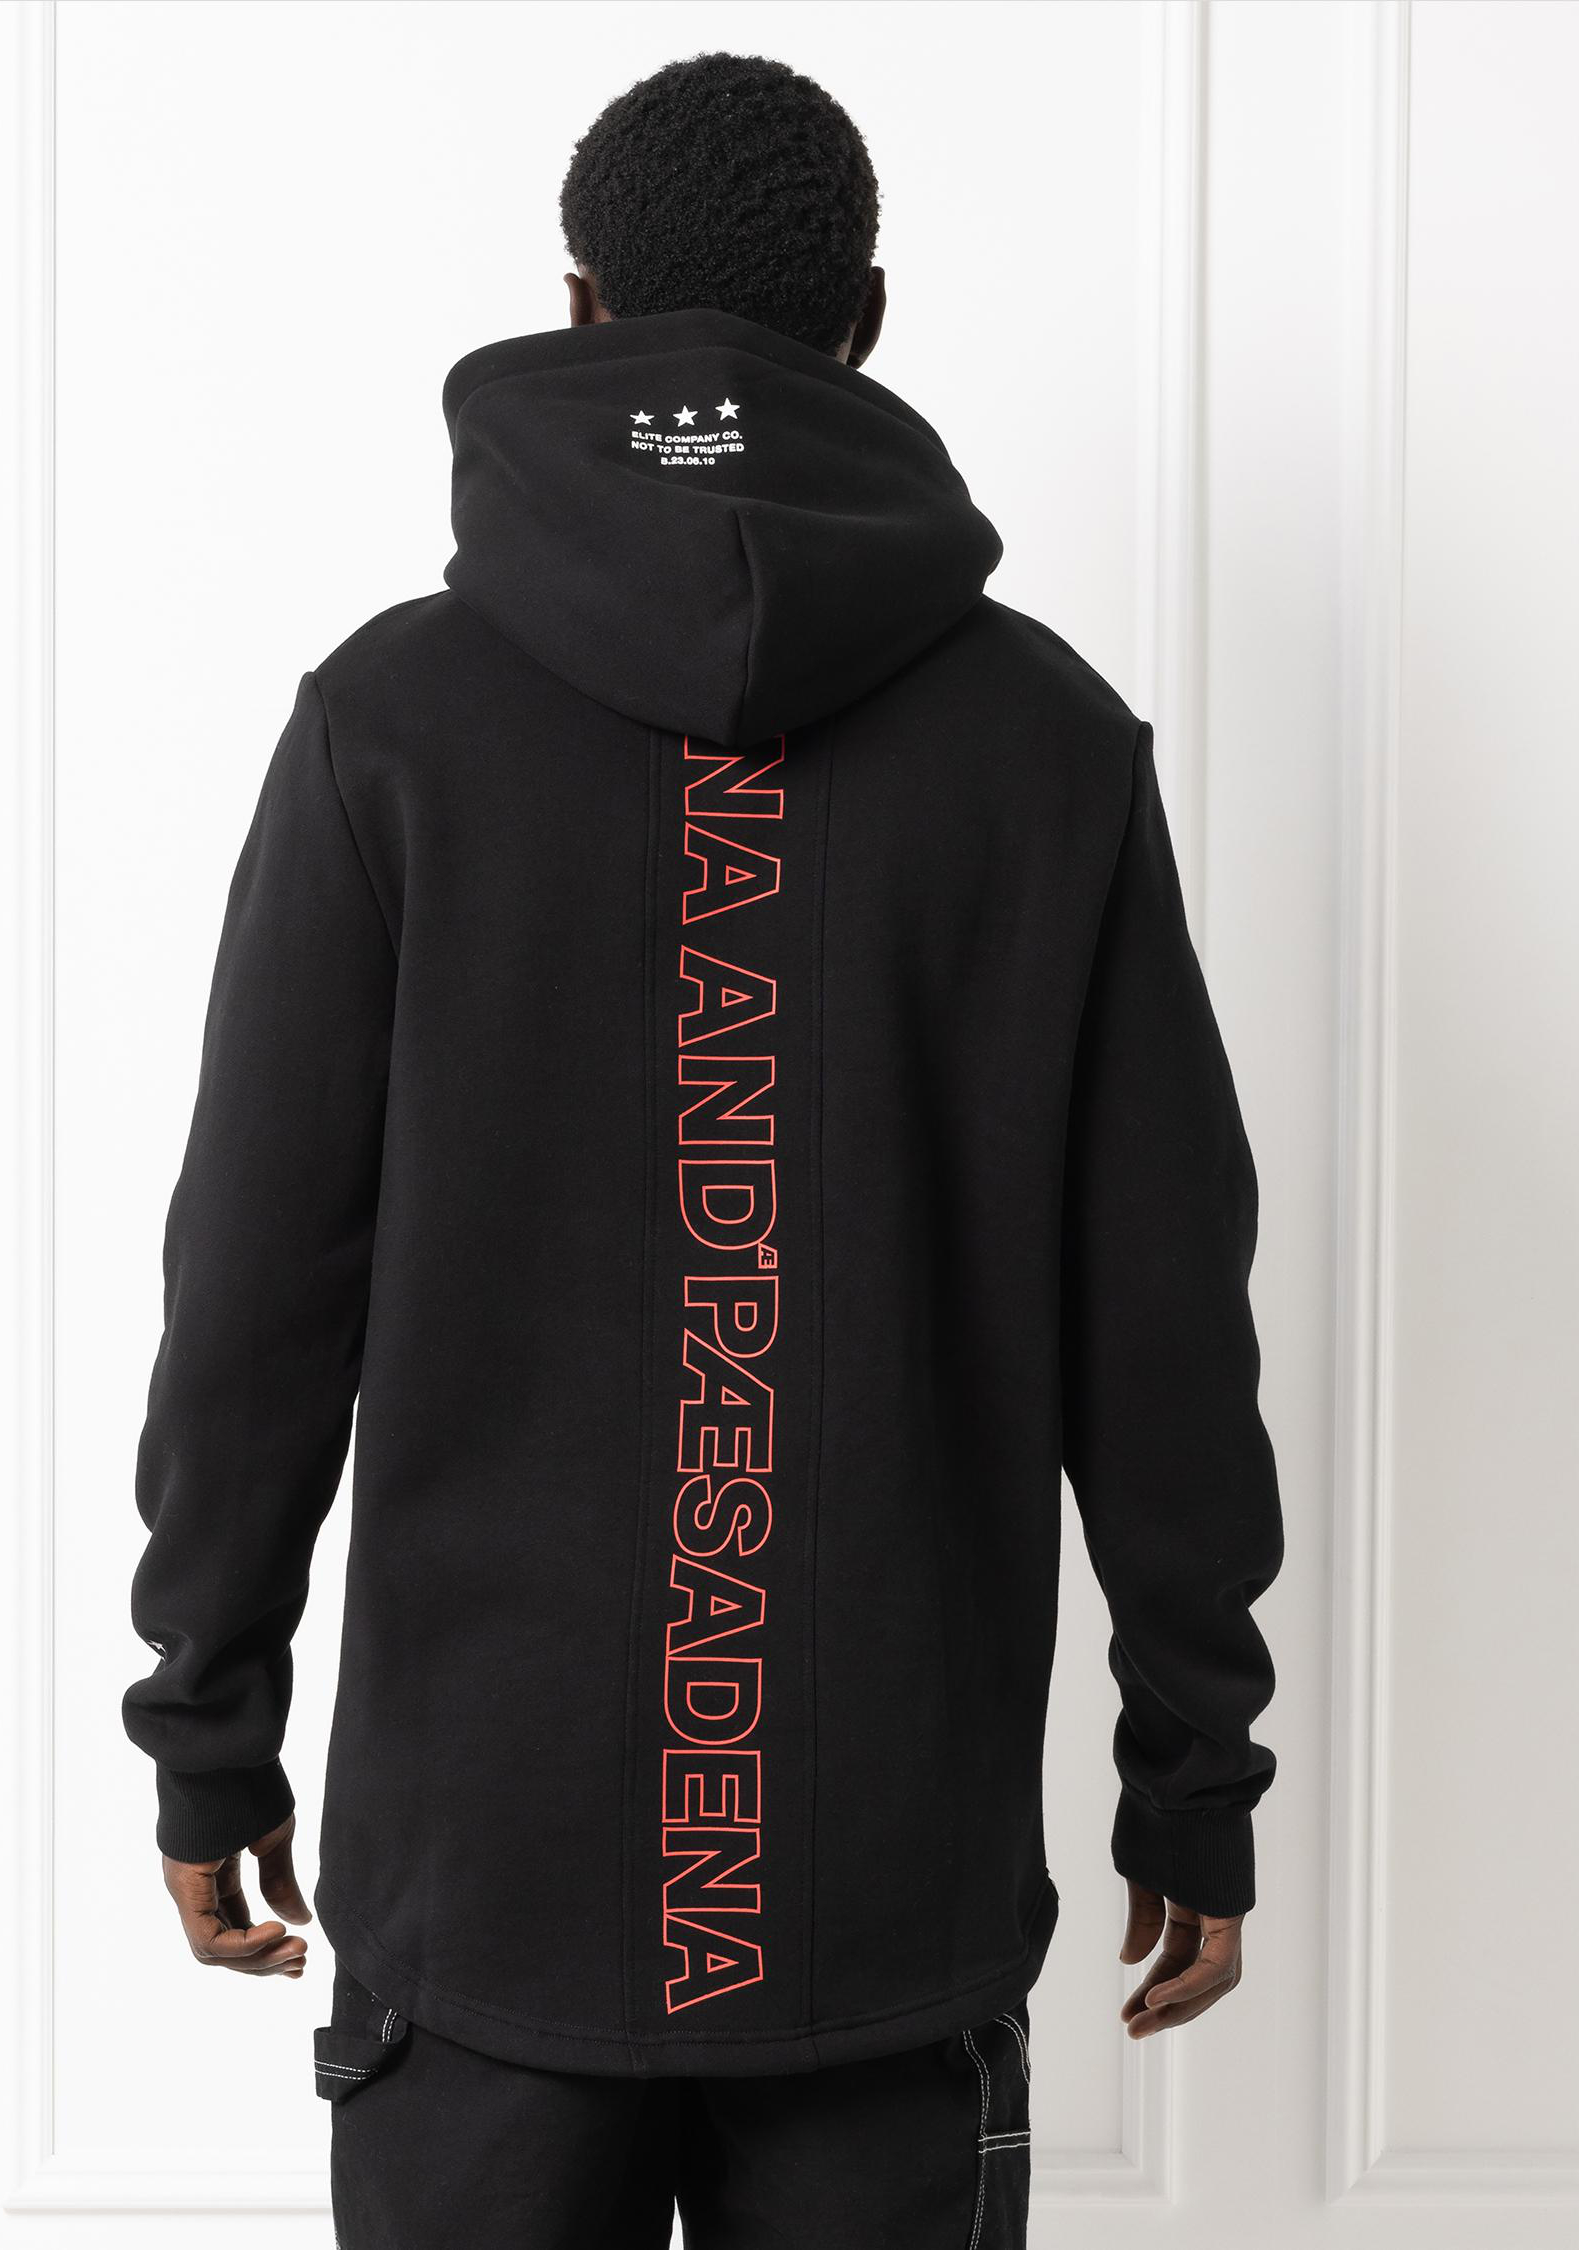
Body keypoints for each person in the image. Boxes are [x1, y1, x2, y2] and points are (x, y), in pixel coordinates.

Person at [123, 50, 1282, 2249]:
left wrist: (208, 1722)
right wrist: (1194, 1768)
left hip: (482, 1883)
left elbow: (254, 1293)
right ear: (867, 318)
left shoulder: (390, 725)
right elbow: (1158, 1311)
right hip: (883, 1886)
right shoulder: (1046, 742)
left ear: (579, 308)